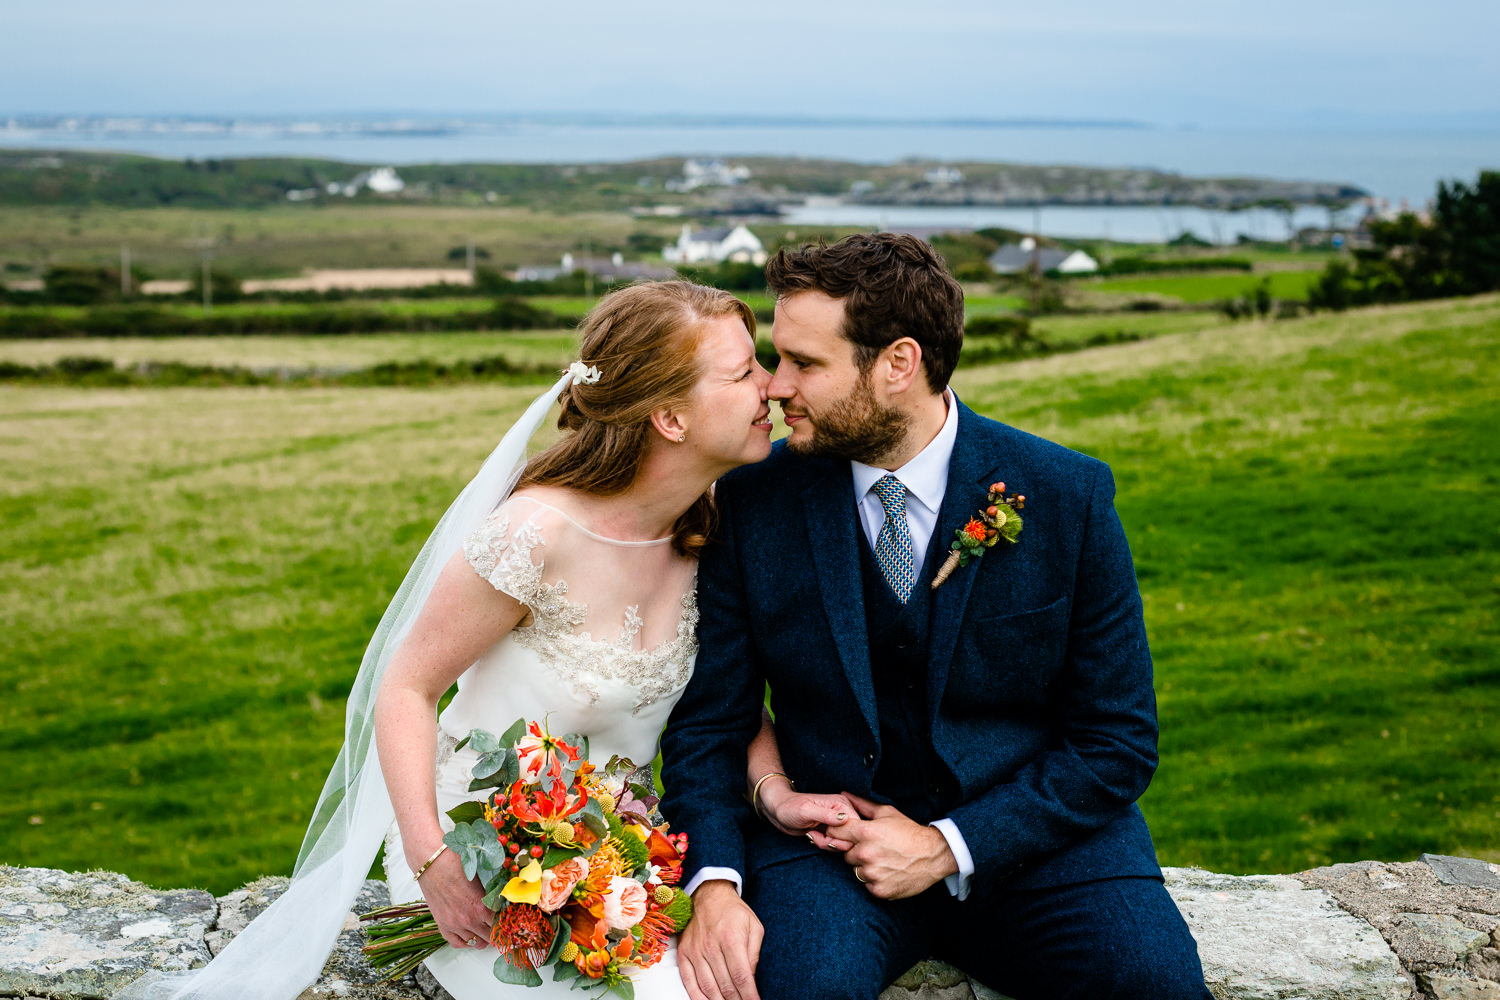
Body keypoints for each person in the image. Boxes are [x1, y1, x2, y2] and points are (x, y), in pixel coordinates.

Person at [115, 280, 775, 1000]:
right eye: (745, 373)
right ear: (670, 417)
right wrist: (435, 862)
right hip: (481, 850)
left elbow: (726, 702)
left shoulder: (713, 523)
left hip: (630, 852)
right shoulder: (535, 533)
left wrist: (773, 789)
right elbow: (406, 685)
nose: (773, 386)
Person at [659, 233, 1213, 1000]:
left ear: (898, 364)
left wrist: (946, 847)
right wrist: (713, 886)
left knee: (1158, 987)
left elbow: (1116, 741)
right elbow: (707, 725)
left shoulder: (1065, 495)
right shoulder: (751, 503)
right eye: (775, 357)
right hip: (826, 854)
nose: (775, 387)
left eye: (806, 364)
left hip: (1042, 849)